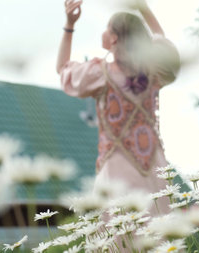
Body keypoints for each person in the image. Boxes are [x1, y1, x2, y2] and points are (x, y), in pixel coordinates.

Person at [56, 0, 180, 213]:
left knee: (121, 235)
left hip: (117, 166)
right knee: (157, 230)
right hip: (153, 163)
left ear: (113, 38)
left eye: (107, 28)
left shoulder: (99, 75)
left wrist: (69, 26)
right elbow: (161, 40)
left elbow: (62, 69)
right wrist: (143, 8)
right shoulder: (153, 70)